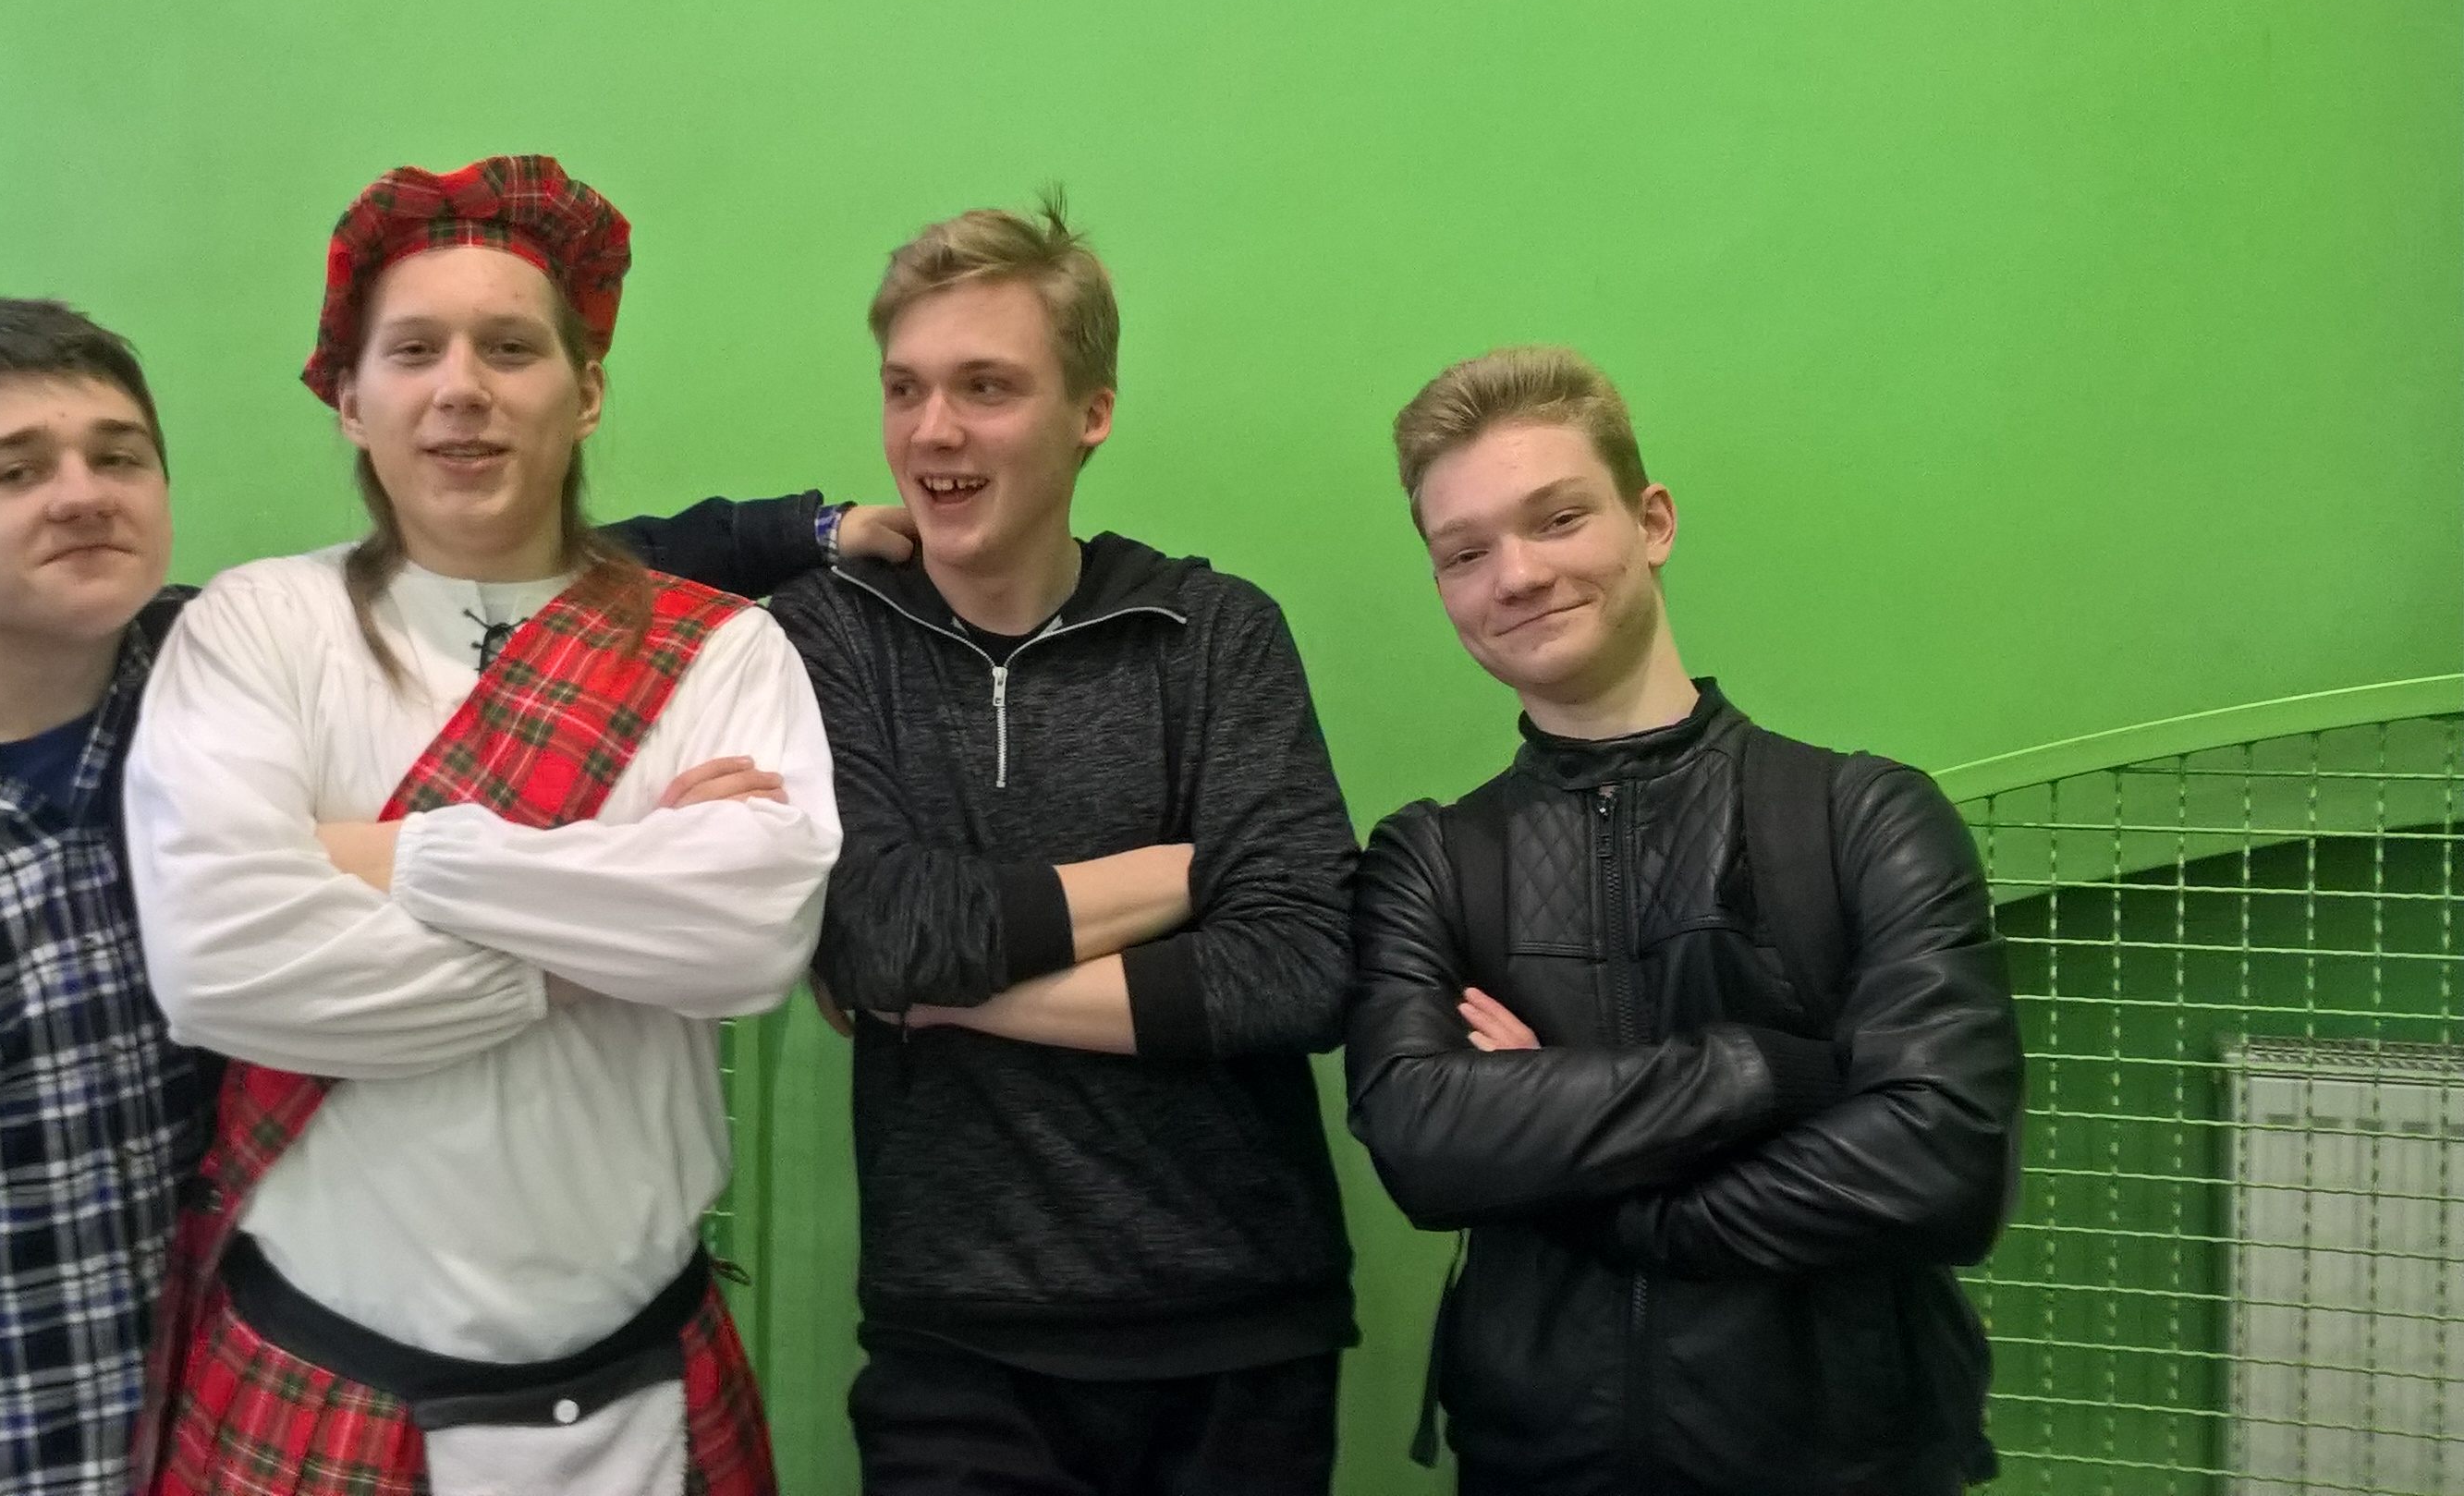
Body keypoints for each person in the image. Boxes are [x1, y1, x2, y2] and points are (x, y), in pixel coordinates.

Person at [0, 286, 899, 1496]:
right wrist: (602, 944)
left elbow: (526, 545)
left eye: (118, 457)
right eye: (17, 469)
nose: (81, 494)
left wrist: (795, 530)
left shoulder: (221, 677)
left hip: (180, 1390)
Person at [125, 155, 836, 1496]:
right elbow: (218, 961)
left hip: (648, 1390)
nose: (462, 387)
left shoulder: (721, 647)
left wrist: (383, 856)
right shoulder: (256, 627)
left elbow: (749, 937)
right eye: (414, 351)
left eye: (510, 347)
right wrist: (596, 950)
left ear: (587, 391)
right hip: (317, 1388)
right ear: (351, 400)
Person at [1345, 345, 2024, 1495]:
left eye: (1557, 518)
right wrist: (1766, 1071)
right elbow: (1420, 1140)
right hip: (1534, 1467)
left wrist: (1590, 1188)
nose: (1516, 574)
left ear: (1652, 521)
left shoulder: (1862, 816)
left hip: (1846, 1468)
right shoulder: (1431, 859)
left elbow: (1941, 1162)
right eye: (1465, 552)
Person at [770, 198, 1359, 1496]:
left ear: (1092, 411)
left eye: (986, 387)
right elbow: (880, 928)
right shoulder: (827, 635)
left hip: (1241, 1335)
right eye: (906, 388)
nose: (933, 431)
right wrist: (1184, 874)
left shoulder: (1215, 634)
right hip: (955, 1345)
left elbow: (1298, 967)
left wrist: (942, 997)